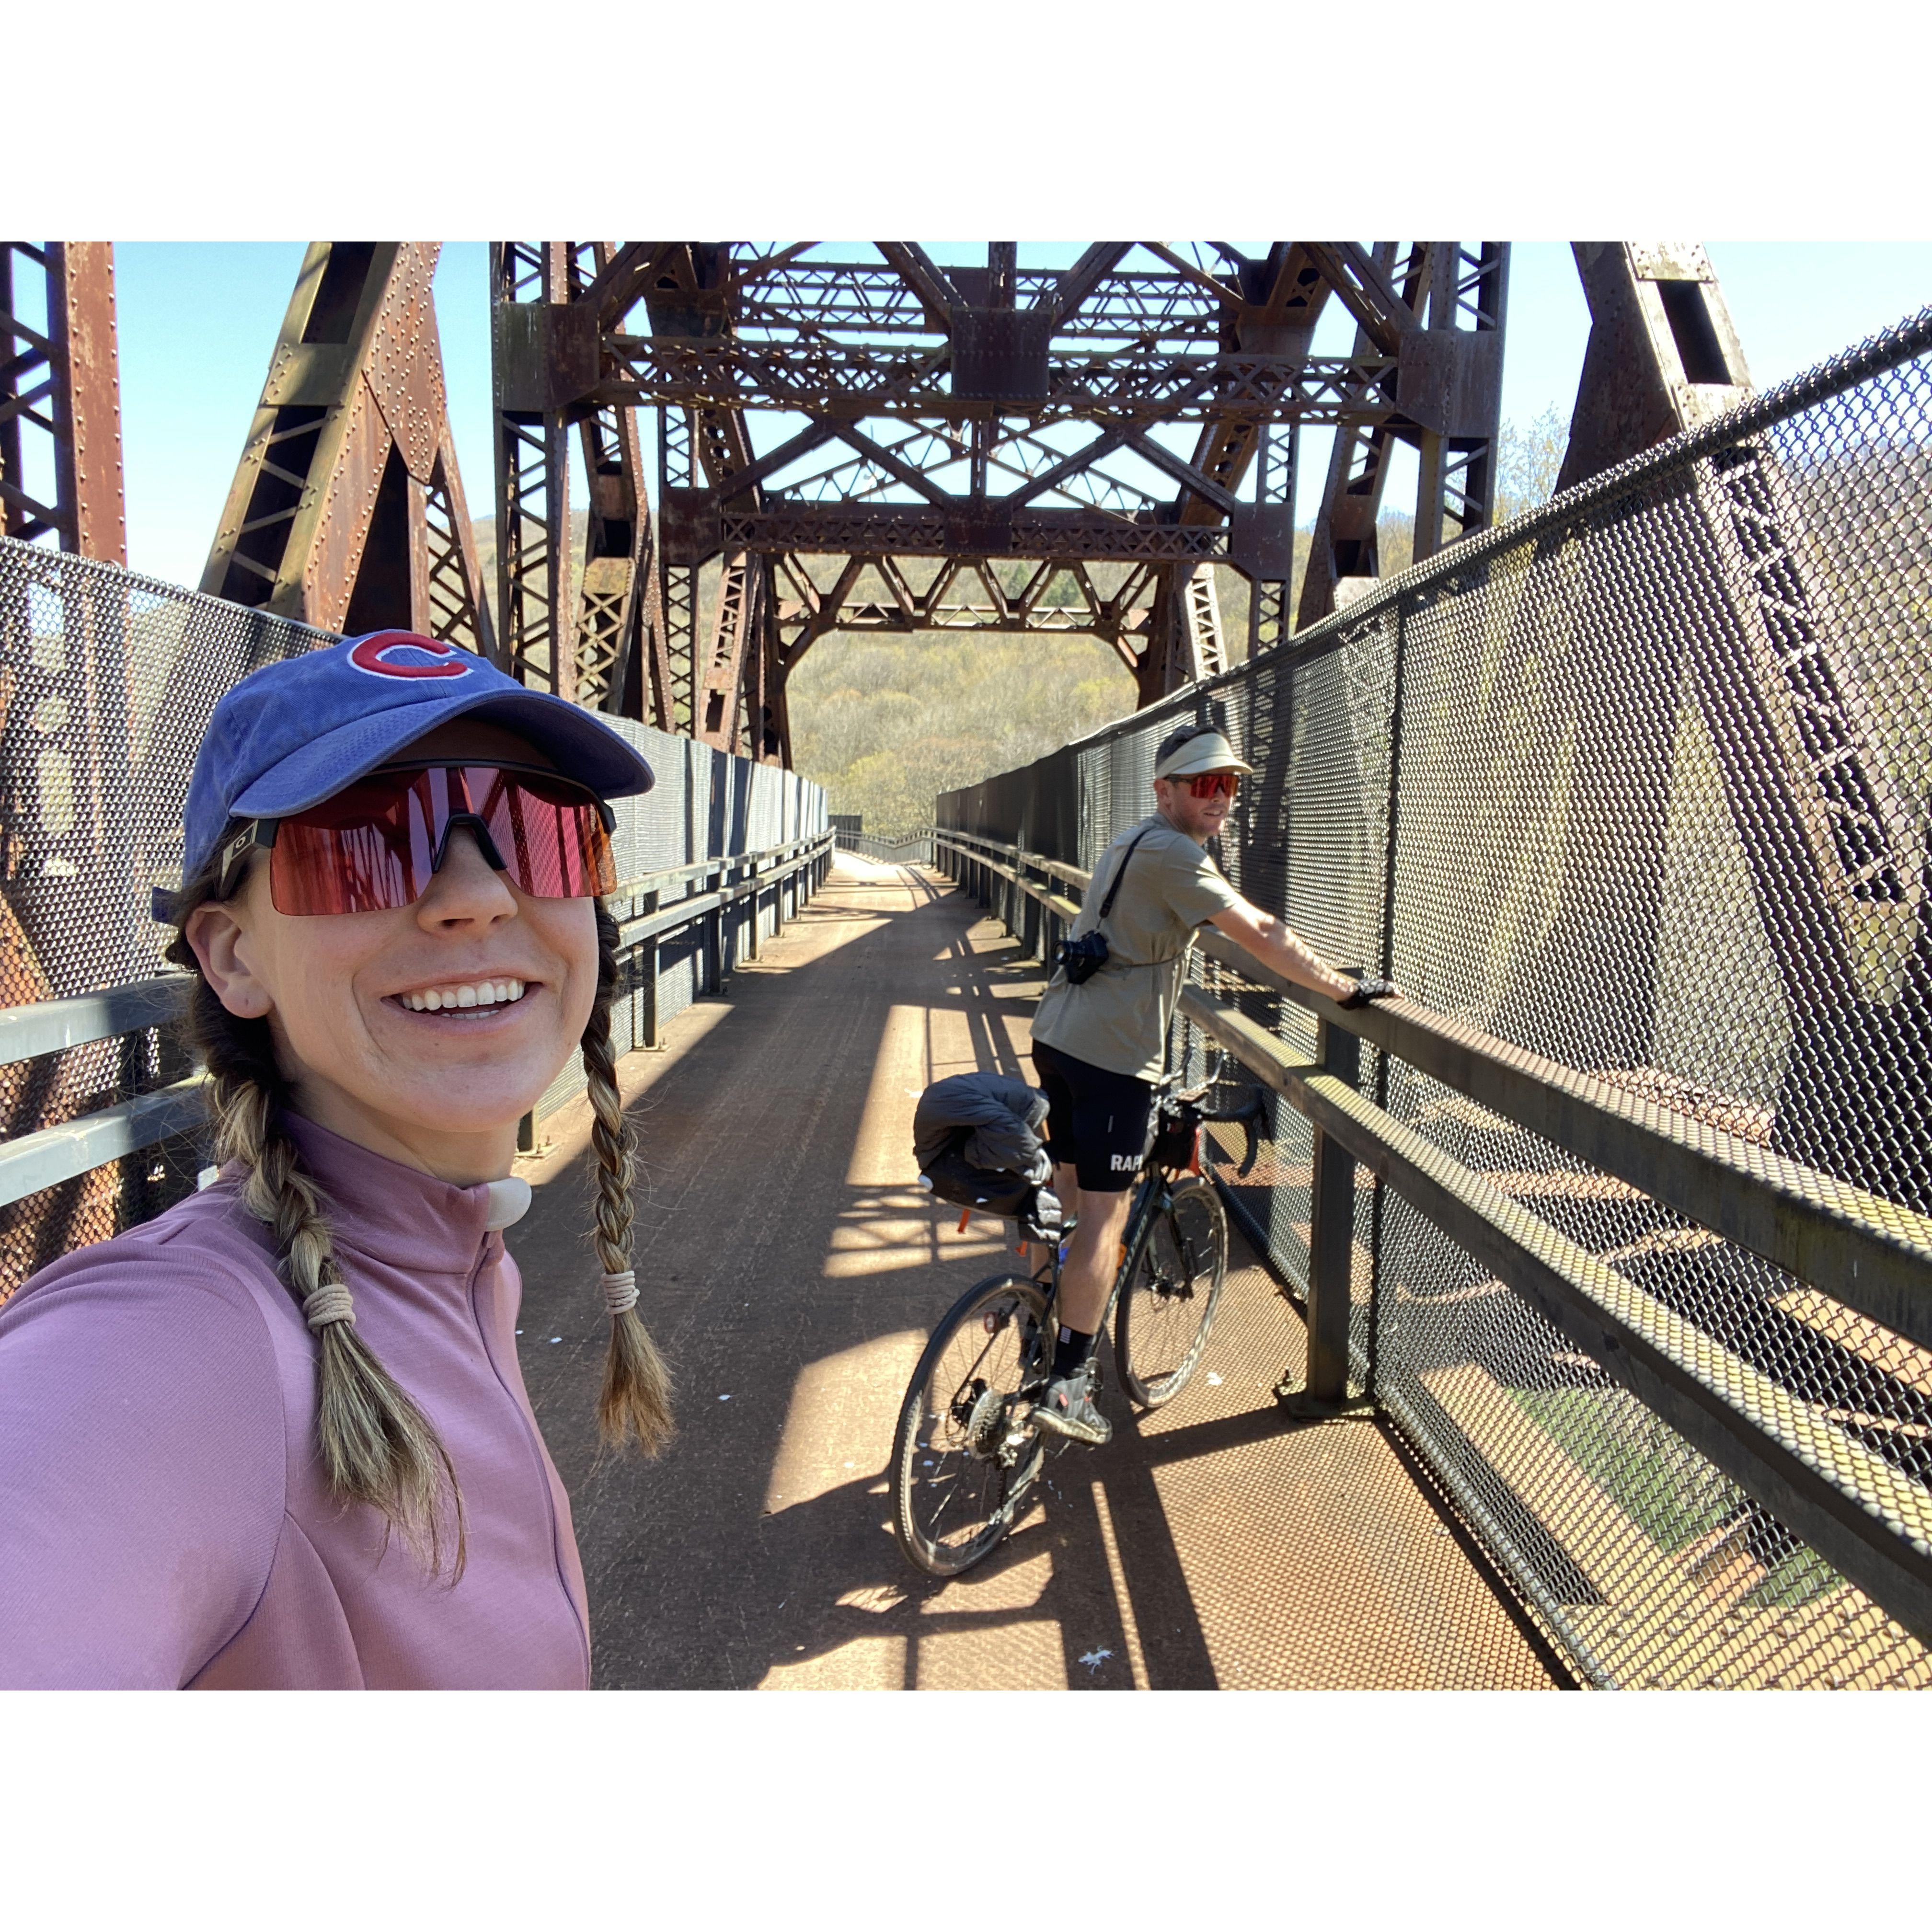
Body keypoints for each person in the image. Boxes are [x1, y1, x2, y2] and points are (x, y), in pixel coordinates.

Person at [0, 630, 668, 1689]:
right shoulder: (180, 1345)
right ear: (232, 955)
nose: (477, 896)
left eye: (540, 831)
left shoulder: (455, 1267)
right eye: (365, 836)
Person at [1026, 721, 1397, 1445]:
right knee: (1106, 1213)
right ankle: (1069, 1381)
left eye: (1227, 784)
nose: (1220, 798)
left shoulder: (1132, 839)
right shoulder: (1173, 853)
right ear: (1164, 792)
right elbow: (1259, 933)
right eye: (1203, 785)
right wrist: (1342, 989)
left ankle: (1038, 1321)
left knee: (1068, 1191)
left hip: (1059, 1034)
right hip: (1112, 1057)